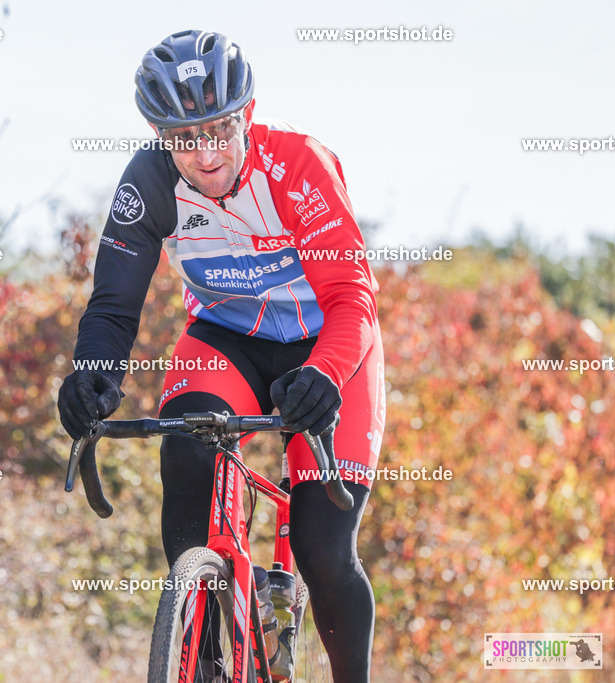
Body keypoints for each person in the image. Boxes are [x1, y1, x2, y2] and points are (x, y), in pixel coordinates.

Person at [58, 29, 385, 683]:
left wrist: (323, 375)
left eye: (218, 128)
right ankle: (201, 636)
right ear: (159, 132)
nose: (204, 153)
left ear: (248, 113)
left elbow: (352, 298)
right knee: (185, 450)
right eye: (183, 137)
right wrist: (93, 374)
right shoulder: (147, 182)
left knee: (323, 550)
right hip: (225, 338)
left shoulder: (298, 164)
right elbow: (114, 307)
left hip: (325, 343)